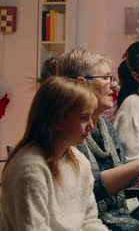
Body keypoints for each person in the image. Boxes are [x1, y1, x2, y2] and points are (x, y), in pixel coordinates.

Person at [58, 48, 139, 230]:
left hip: (119, 216)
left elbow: (123, 183)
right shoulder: (67, 130)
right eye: (106, 78)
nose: (113, 85)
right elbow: (84, 190)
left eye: (112, 78)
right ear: (82, 83)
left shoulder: (105, 126)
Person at [0, 77, 108, 230]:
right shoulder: (29, 169)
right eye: (84, 118)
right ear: (57, 120)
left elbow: (89, 221)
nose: (91, 126)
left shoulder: (80, 161)